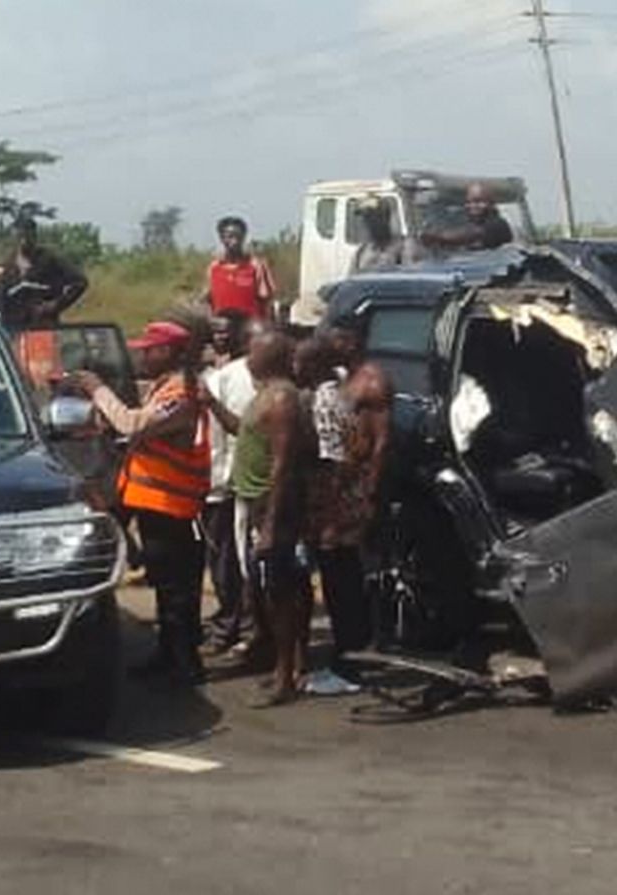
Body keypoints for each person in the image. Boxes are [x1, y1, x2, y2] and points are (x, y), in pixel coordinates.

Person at [70, 321, 211, 685]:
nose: (142, 355)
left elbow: (133, 424)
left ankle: (183, 663)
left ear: (169, 351)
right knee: (166, 587)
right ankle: (168, 656)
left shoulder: (179, 392)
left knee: (176, 591)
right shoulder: (167, 386)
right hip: (156, 504)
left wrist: (99, 390)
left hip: (172, 507)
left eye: (150, 349)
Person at [303, 321, 392, 688]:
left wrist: (368, 492)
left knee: (344, 576)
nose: (329, 343)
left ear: (352, 341)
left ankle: (353, 657)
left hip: (350, 490)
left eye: (335, 337)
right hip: (337, 488)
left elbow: (381, 443)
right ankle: (349, 649)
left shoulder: (371, 380)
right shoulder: (343, 379)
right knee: (337, 574)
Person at [229, 329, 310, 707]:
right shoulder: (264, 394)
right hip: (255, 502)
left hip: (272, 505)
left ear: (271, 357)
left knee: (280, 593)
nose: (247, 356)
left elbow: (283, 466)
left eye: (253, 351)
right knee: (268, 590)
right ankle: (285, 667)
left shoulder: (281, 399)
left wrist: (272, 523)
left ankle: (285, 677)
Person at [198, 312, 259, 654]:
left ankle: (240, 627)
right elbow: (215, 436)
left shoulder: (228, 379)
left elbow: (224, 435)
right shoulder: (225, 378)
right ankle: (234, 624)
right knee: (229, 561)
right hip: (230, 483)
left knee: (240, 562)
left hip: (242, 485)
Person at [0, 216, 89, 329]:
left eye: (27, 235)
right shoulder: (9, 264)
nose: (23, 240)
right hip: (16, 327)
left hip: (43, 325)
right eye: (19, 236)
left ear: (34, 236)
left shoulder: (49, 259)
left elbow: (80, 282)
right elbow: (3, 297)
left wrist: (55, 304)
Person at [206, 216, 277, 321]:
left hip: (250, 329)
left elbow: (266, 301)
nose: (234, 241)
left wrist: (266, 327)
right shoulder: (214, 268)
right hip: (220, 327)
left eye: (238, 236)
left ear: (244, 237)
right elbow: (208, 300)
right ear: (221, 238)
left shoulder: (255, 266)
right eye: (229, 237)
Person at [420, 182, 515, 254]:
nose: (472, 206)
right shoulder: (465, 220)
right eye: (469, 202)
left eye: (478, 202)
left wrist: (438, 237)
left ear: (491, 204)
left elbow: (471, 234)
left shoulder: (498, 224)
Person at [350, 197, 415, 274]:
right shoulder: (361, 252)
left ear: (385, 218)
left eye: (372, 217)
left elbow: (411, 279)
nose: (367, 223)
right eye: (365, 218)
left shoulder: (405, 247)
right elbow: (352, 280)